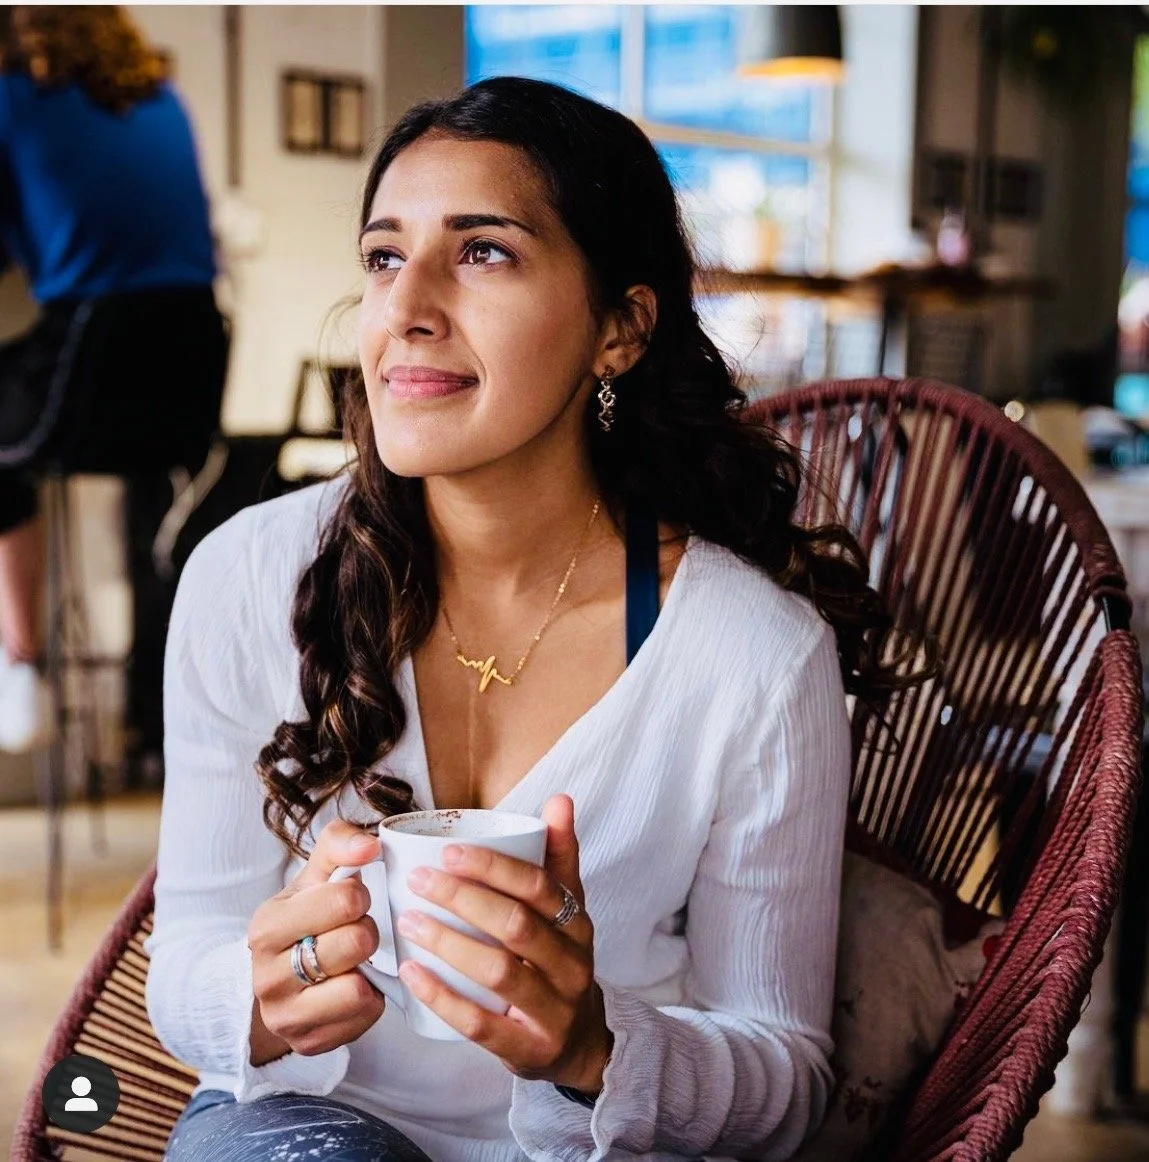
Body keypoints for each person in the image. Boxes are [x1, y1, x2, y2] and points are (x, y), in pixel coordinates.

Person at [145, 77, 927, 1162]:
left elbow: (785, 1079)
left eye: (483, 252)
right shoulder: (247, 577)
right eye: (383, 256)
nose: (407, 305)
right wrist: (255, 999)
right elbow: (181, 957)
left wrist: (600, 1047)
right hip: (300, 1133)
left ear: (620, 327)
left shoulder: (752, 658)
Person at [0, 6, 225, 752]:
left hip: (96, 344)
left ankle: (20, 660)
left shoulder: (11, 96)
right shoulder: (161, 97)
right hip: (196, 348)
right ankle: (155, 728)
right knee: (152, 526)